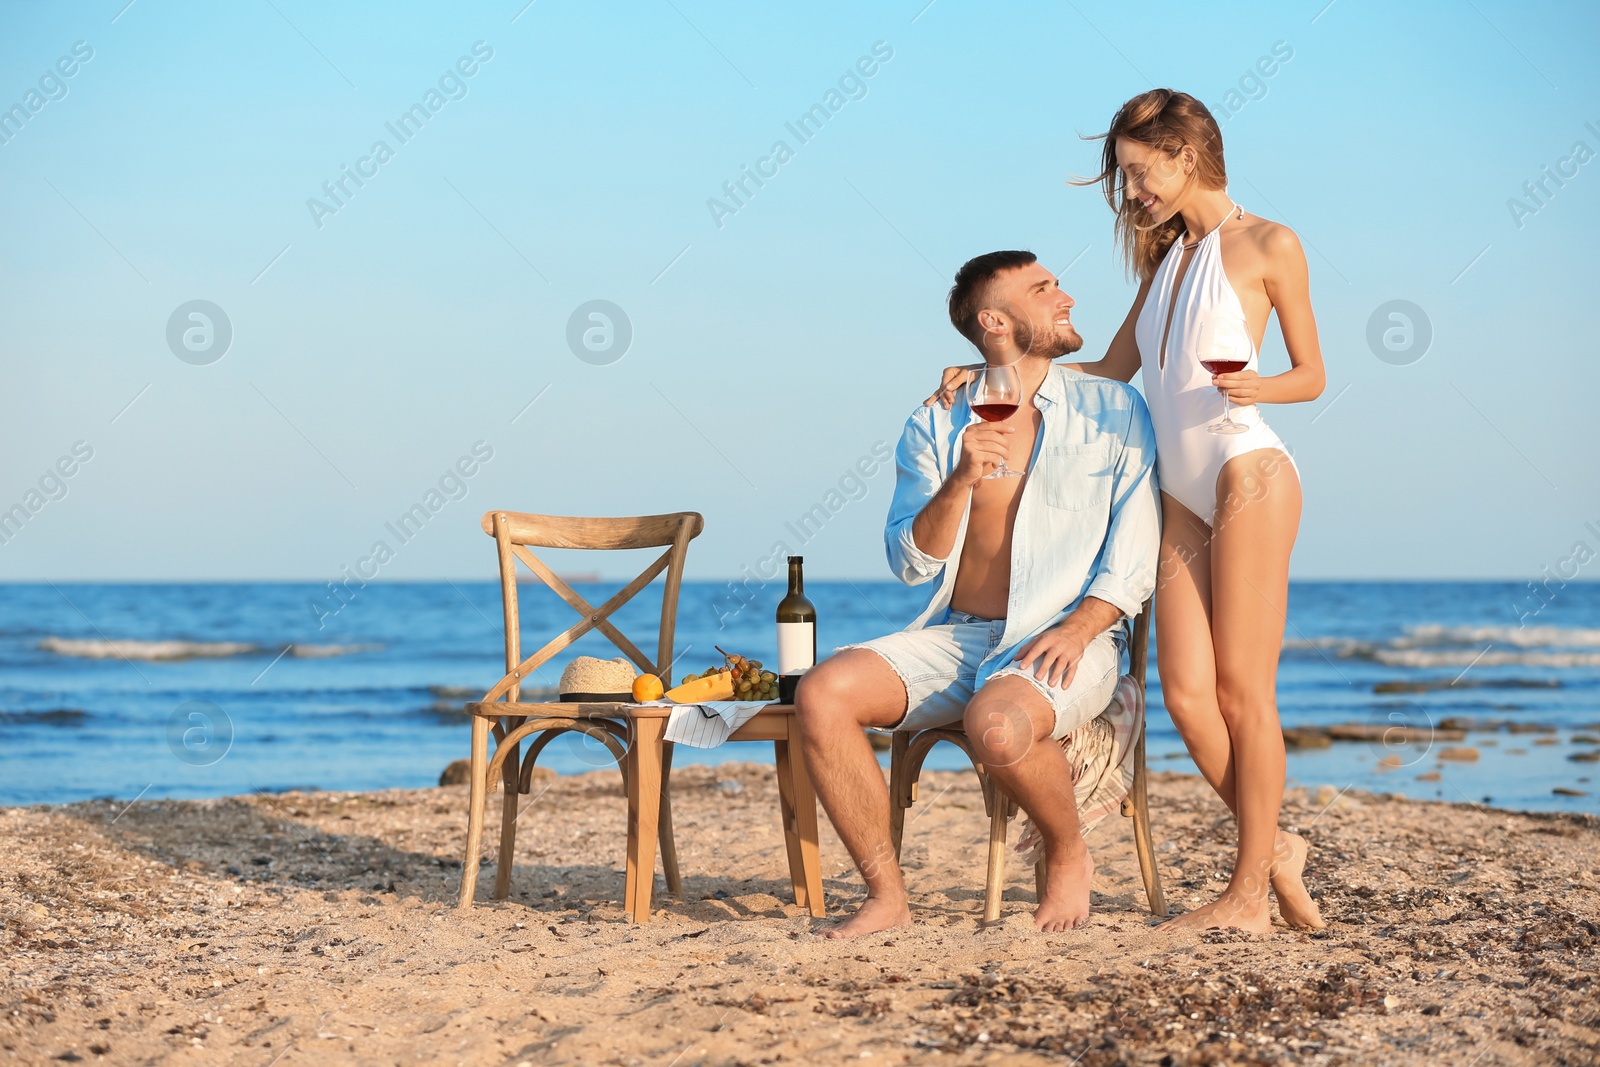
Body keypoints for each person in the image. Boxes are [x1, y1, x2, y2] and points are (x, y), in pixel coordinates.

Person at [928, 90, 1328, 932]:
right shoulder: (1167, 263)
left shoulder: (1268, 242)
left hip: (1246, 469)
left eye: (1141, 173)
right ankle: (1275, 847)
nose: (1134, 192)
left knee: (1244, 692)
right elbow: (1110, 368)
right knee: (1186, 695)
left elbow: (1313, 375)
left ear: (1187, 155)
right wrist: (992, 371)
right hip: (1181, 494)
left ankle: (1248, 891)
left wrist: (1263, 385)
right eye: (1126, 177)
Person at [794, 250, 1159, 937]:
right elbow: (910, 562)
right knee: (822, 692)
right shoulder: (935, 421)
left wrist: (1083, 626)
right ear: (994, 319)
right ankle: (886, 896)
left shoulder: (1113, 409)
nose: (1067, 297)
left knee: (999, 723)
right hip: (961, 634)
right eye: (1044, 287)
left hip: (1070, 633)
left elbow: (1135, 553)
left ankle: (1067, 851)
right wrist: (960, 479)